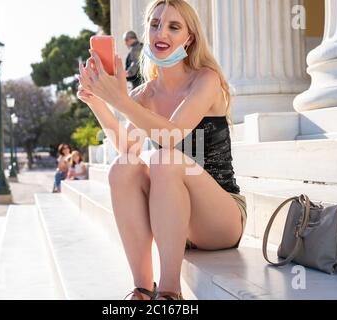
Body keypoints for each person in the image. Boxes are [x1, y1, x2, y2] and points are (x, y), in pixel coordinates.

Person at [77, 0, 247, 300]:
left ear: (189, 38)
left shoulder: (205, 80)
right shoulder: (145, 93)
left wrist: (121, 101)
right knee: (123, 166)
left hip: (221, 219)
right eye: (155, 24)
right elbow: (126, 146)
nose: (161, 32)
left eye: (174, 26)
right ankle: (143, 288)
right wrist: (97, 102)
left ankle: (170, 291)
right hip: (174, 222)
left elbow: (173, 135)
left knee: (165, 159)